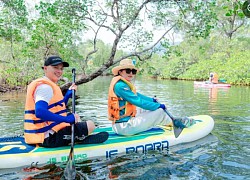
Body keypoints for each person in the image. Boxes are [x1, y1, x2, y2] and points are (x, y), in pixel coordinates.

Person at [24, 55, 106, 148]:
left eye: (61, 68)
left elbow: (56, 107)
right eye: (55, 67)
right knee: (91, 125)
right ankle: (78, 138)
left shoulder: (45, 84)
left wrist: (67, 96)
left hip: (38, 135)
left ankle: (77, 136)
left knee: (76, 117)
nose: (59, 71)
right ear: (45, 68)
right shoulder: (45, 87)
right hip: (47, 139)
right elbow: (40, 112)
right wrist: (66, 119)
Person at [107, 59, 194, 136]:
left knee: (147, 109)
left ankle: (172, 121)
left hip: (121, 126)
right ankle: (177, 124)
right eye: (128, 71)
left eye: (133, 71)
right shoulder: (120, 86)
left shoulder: (123, 84)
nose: (131, 74)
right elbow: (139, 101)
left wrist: (153, 100)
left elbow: (138, 96)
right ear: (120, 72)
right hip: (124, 128)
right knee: (159, 111)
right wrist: (158, 106)